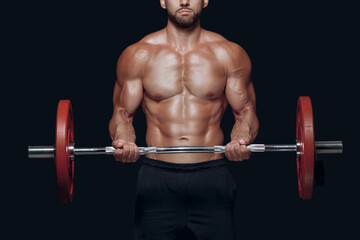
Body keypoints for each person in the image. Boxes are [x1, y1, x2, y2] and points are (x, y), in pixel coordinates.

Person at [109, 0, 259, 239]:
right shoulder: (138, 54)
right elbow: (122, 114)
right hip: (157, 178)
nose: (184, 1)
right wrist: (123, 141)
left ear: (205, 1)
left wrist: (242, 138)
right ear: (162, 1)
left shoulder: (229, 53)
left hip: (212, 177)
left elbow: (245, 112)